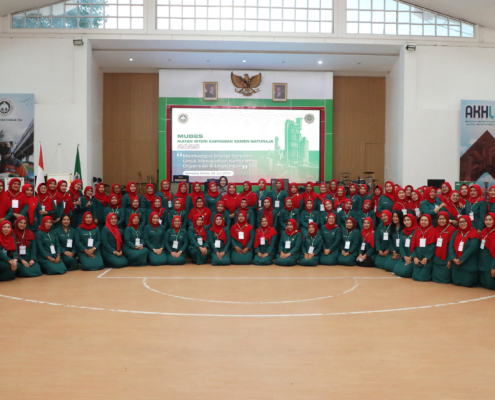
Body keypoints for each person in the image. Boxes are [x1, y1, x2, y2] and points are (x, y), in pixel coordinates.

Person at [447, 215, 480, 287]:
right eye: (460, 222)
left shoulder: (474, 233)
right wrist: (453, 258)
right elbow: (450, 246)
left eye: (464, 221)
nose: (462, 223)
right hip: (456, 264)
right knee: (456, 283)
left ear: (468, 222)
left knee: (467, 284)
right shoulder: (456, 232)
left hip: (468, 264)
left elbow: (472, 249)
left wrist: (461, 259)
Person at [432, 211, 456, 284]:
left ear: (447, 219)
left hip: (446, 258)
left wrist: (450, 259)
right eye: (439, 219)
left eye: (443, 219)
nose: (441, 221)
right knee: (435, 279)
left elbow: (452, 246)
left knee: (445, 279)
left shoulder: (452, 229)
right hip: (436, 258)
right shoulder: (435, 229)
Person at [410, 214, 436, 282]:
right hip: (417, 258)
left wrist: (426, 258)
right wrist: (414, 257)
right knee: (415, 277)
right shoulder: (417, 231)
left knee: (423, 278)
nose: (423, 222)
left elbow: (432, 247)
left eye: (425, 220)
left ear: (429, 221)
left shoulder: (432, 231)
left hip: (427, 260)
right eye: (422, 220)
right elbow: (412, 245)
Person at [392, 214, 418, 278]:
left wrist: (411, 257)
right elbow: (401, 245)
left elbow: (417, 246)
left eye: (408, 220)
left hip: (413, 256)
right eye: (405, 220)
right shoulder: (403, 231)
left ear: (412, 220)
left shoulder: (417, 231)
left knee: (404, 272)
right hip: (405, 256)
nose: (406, 222)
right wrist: (404, 256)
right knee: (395, 270)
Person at [478, 212, 495, 290]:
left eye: (490, 220)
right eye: (486, 220)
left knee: (490, 286)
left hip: (490, 264)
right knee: (483, 285)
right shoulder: (484, 231)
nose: (488, 222)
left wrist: (493, 267)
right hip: (482, 263)